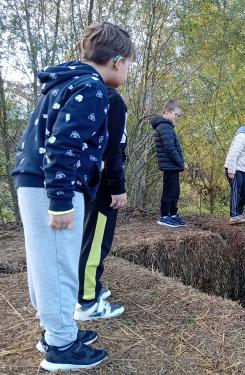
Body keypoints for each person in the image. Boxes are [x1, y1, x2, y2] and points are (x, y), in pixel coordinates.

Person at [11, 22, 135, 372]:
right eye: (128, 64)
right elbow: (63, 145)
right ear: (115, 60)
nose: (127, 71)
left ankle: (56, 332)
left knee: (44, 262)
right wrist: (62, 200)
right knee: (59, 263)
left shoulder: (67, 83)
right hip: (51, 185)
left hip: (35, 180)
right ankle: (61, 347)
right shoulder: (91, 89)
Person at [74, 83, 128, 321]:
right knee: (97, 242)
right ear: (116, 62)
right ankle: (87, 302)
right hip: (104, 183)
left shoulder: (84, 93)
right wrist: (117, 186)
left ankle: (90, 288)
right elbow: (112, 148)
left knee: (88, 238)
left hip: (88, 179)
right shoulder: (112, 99)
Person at [152, 100, 186, 228]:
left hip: (173, 166)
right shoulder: (164, 127)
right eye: (176, 114)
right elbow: (169, 148)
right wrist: (180, 162)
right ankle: (165, 216)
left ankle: (172, 214)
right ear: (167, 111)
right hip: (170, 165)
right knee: (169, 191)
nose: (177, 118)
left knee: (175, 190)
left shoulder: (168, 127)